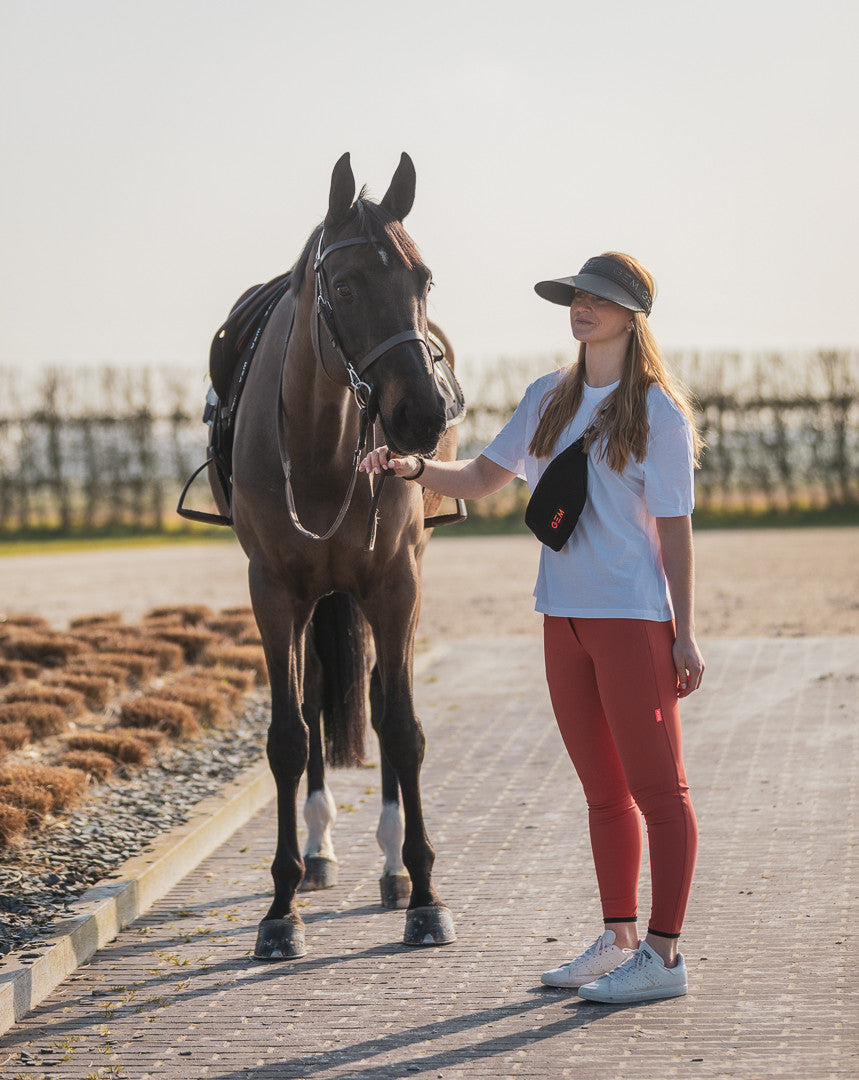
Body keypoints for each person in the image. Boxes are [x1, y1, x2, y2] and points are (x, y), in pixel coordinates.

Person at [360, 251, 704, 1005]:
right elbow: (484, 476)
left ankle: (664, 958)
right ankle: (617, 938)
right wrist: (411, 468)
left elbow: (674, 531)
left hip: (632, 621)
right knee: (603, 793)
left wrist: (683, 632)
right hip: (563, 619)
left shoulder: (659, 414)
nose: (582, 307)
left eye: (599, 299)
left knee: (659, 791)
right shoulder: (548, 395)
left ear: (630, 317)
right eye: (577, 296)